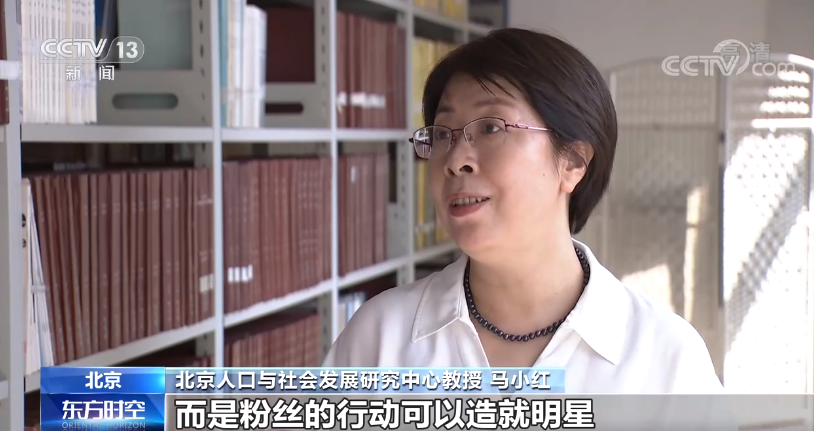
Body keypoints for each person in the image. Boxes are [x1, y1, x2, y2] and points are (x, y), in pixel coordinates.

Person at [323, 28, 723, 394]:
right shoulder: (380, 340)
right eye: (443, 134)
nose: (456, 160)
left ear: (573, 162)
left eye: (491, 128)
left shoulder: (665, 359)